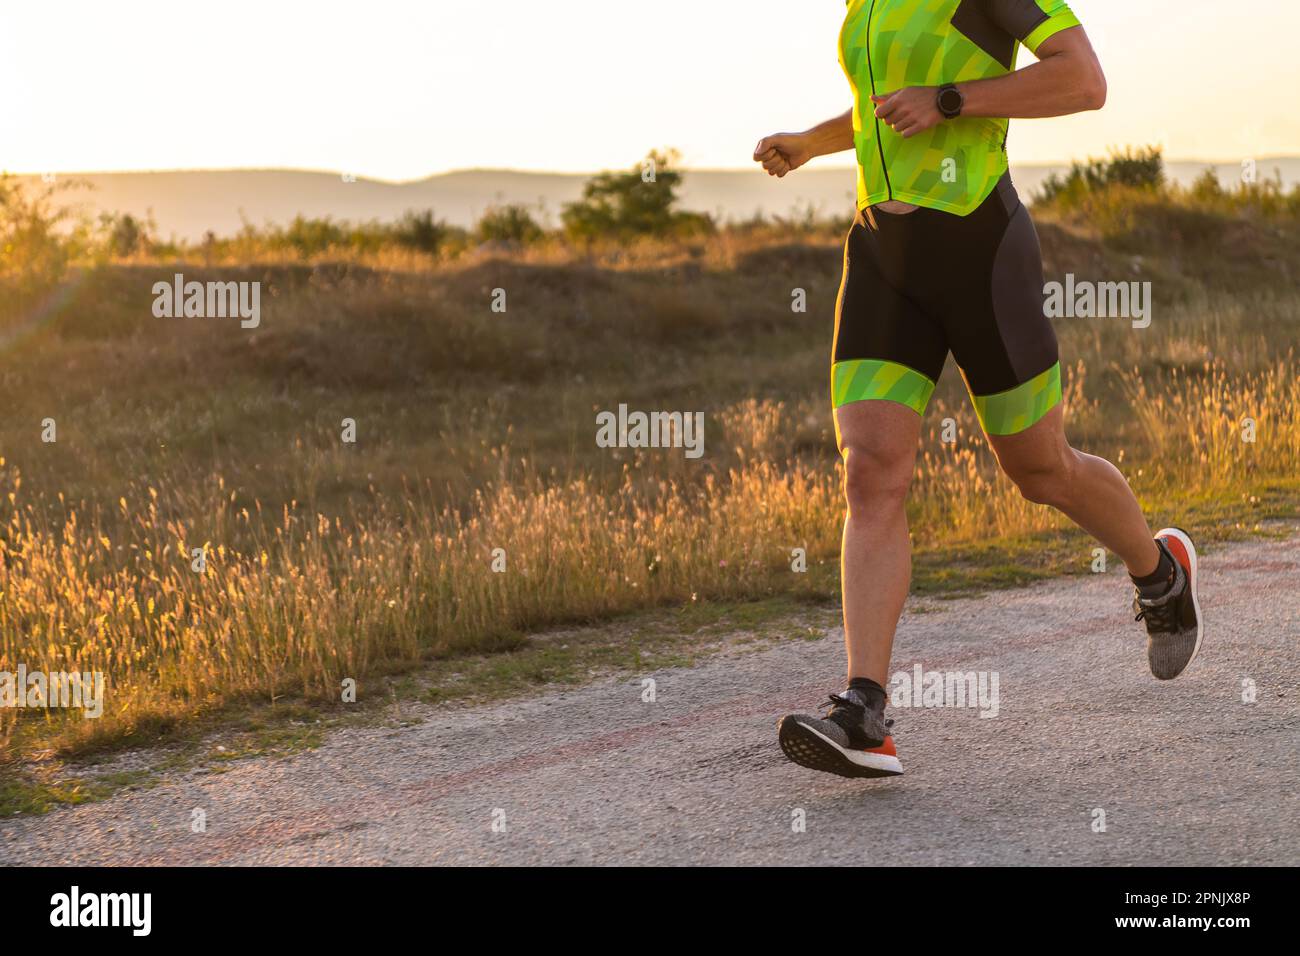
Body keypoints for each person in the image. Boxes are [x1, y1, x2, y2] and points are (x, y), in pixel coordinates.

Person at [753, 0, 1203, 779]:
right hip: (880, 255)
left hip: (979, 249)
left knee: (1040, 471)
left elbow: (1083, 80)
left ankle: (1160, 573)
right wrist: (814, 142)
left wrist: (954, 100)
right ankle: (864, 711)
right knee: (870, 471)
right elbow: (884, 108)